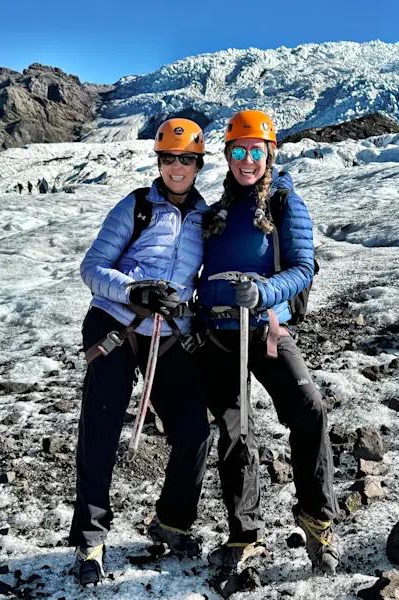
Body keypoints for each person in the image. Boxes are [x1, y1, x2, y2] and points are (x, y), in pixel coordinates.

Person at [71, 119, 213, 586]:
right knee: (102, 427)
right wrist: (134, 291)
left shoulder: (204, 218)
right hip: (116, 323)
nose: (177, 167)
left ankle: (171, 520)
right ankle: (90, 538)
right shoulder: (136, 207)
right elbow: (92, 267)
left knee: (194, 430)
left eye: (186, 159)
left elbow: (200, 283)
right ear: (158, 161)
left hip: (169, 332)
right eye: (169, 158)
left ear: (198, 164)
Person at [197, 110, 340, 574]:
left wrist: (263, 291)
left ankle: (318, 521)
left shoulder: (284, 203)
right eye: (238, 151)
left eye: (255, 151)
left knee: (309, 409)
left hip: (267, 331)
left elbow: (302, 268)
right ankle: (245, 535)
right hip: (219, 336)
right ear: (227, 155)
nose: (246, 161)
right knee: (236, 433)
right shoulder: (216, 211)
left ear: (269, 153)